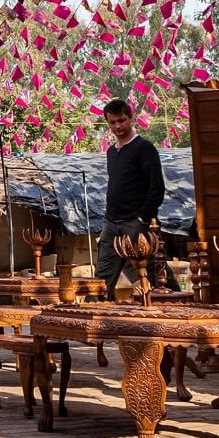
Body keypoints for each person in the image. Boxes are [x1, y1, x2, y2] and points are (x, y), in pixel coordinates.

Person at [96, 99, 166, 299]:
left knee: (153, 272)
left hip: (136, 222)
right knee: (102, 277)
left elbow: (157, 188)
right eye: (113, 122)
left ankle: (177, 306)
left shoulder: (144, 148)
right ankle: (99, 318)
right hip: (111, 222)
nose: (118, 126)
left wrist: (142, 218)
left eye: (121, 120)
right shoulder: (112, 152)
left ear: (130, 118)